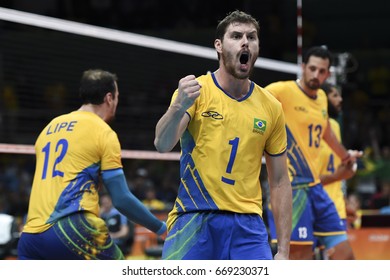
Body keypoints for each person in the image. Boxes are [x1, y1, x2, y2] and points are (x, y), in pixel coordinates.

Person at [154, 10, 292, 260]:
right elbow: (162, 144)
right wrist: (178, 107)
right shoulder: (195, 92)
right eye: (236, 36)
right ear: (218, 45)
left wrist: (283, 250)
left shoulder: (271, 107)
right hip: (195, 218)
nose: (245, 42)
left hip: (248, 227)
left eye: (251, 37)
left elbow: (280, 181)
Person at [17, 69, 166, 260]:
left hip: (31, 238)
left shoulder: (48, 129)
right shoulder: (103, 132)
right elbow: (121, 199)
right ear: (109, 98)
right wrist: (161, 228)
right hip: (71, 229)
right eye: (118, 97)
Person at [265, 46, 363, 259]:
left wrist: (345, 156)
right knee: (299, 258)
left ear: (328, 74)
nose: (316, 75)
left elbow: (326, 130)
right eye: (312, 69)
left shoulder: (321, 99)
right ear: (303, 68)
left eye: (322, 71)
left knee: (346, 256)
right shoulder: (282, 90)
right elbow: (251, 102)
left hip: (316, 188)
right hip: (293, 188)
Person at [317, 82, 356, 259]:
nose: (340, 99)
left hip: (335, 209)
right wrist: (338, 175)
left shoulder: (334, 125)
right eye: (335, 95)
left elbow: (337, 170)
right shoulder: (314, 126)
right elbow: (310, 176)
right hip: (314, 205)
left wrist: (345, 202)